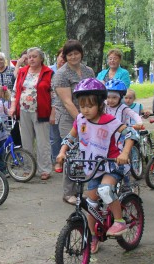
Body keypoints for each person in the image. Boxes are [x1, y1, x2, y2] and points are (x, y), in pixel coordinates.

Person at [56, 78, 137, 254]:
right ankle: (93, 236)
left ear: (101, 104)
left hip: (111, 165)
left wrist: (124, 153)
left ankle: (119, 220)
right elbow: (71, 137)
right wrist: (62, 152)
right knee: (91, 204)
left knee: (105, 190)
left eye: (90, 105)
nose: (85, 109)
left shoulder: (110, 120)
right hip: (92, 167)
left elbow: (131, 133)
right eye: (82, 105)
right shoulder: (80, 119)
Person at [52, 39, 95, 204]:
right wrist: (82, 120)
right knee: (72, 153)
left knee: (86, 153)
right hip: (69, 118)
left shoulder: (88, 71)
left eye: (76, 53)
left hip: (88, 116)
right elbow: (67, 102)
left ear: (81, 54)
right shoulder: (61, 75)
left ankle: (81, 191)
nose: (73, 57)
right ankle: (68, 193)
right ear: (65, 56)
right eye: (70, 54)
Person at [8, 47, 54, 180]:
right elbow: (15, 91)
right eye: (29, 57)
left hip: (41, 111)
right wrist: (12, 107)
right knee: (26, 141)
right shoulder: (22, 71)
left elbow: (54, 95)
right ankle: (28, 168)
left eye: (34, 56)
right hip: (23, 111)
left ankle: (44, 169)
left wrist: (53, 113)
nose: (31, 59)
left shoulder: (48, 72)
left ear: (41, 58)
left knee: (42, 142)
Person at [49, 48, 66, 173]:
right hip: (52, 108)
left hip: (67, 107)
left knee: (67, 135)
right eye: (61, 56)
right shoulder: (49, 71)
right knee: (54, 137)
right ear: (57, 57)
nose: (62, 60)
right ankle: (57, 161)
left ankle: (68, 160)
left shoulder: (70, 71)